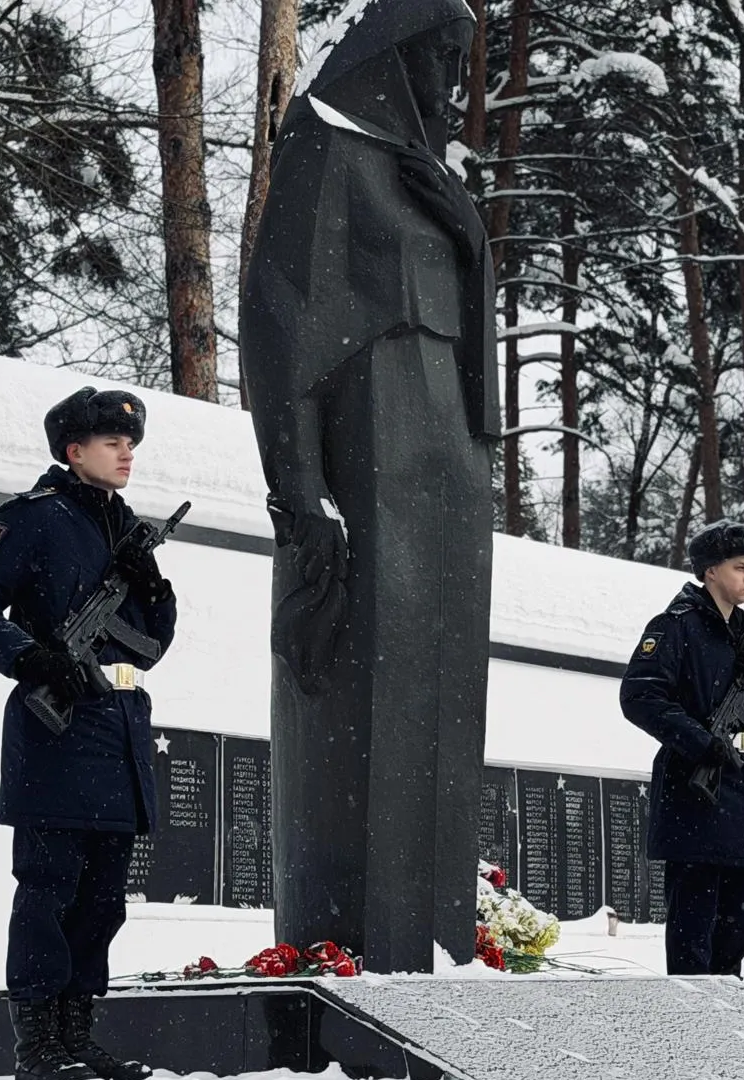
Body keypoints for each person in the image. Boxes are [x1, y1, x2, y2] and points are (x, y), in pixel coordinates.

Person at [238, 0, 495, 973]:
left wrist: (469, 234)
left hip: (446, 482)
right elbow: (279, 324)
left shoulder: (431, 178)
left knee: (440, 707)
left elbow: (470, 359)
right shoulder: (323, 144)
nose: (454, 85)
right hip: (368, 467)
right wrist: (301, 491)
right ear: (394, 56)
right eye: (442, 59)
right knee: (362, 712)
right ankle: (353, 945)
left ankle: (434, 942)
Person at [0, 386, 176, 1080]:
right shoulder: (34, 517)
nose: (126, 453)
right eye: (111, 442)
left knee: (103, 901)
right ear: (75, 452)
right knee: (49, 891)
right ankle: (37, 1049)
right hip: (58, 729)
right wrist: (30, 658)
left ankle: (76, 1039)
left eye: (130, 443)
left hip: (121, 730)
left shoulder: (124, 529)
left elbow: (153, 644)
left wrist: (150, 581)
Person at [620, 520, 744, 978]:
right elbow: (639, 696)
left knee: (739, 930)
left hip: (741, 790)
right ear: (711, 571)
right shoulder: (675, 627)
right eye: (740, 567)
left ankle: (728, 1015)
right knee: (693, 933)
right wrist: (701, 742)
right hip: (695, 795)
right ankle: (694, 1018)